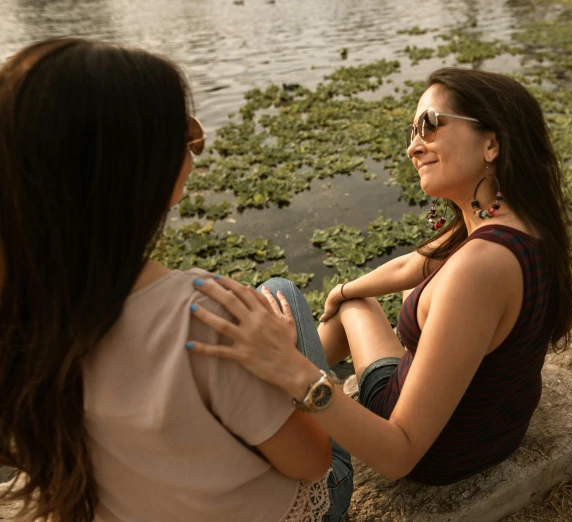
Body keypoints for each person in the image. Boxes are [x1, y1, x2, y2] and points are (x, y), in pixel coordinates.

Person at [0, 38, 352, 522]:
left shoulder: (21, 310)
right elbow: (312, 463)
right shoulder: (202, 315)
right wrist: (285, 363)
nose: (194, 147)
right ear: (139, 168)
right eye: (182, 134)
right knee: (281, 292)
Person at [187, 68, 572, 485]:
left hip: (433, 452)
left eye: (429, 125)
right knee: (353, 302)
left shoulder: (478, 267)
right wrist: (341, 290)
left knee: (280, 293)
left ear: (491, 143)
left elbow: (399, 453)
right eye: (411, 131)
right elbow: (413, 264)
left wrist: (293, 369)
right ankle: (269, 384)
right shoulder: (518, 223)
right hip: (493, 434)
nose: (413, 146)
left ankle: (260, 394)